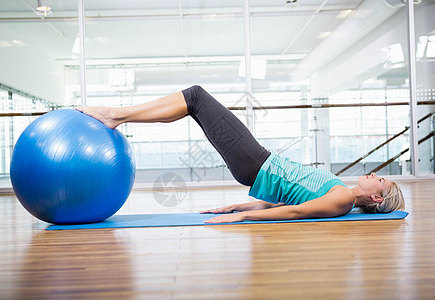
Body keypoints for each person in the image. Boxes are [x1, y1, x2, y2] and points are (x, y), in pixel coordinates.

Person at [76, 85, 405, 224]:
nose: (376, 174)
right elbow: (285, 201)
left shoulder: (342, 202)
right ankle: (117, 116)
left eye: (381, 180)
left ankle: (115, 115)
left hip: (256, 162)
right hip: (256, 163)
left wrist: (245, 218)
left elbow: (295, 213)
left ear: (376, 199)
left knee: (196, 97)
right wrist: (238, 205)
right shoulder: (341, 191)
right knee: (194, 104)